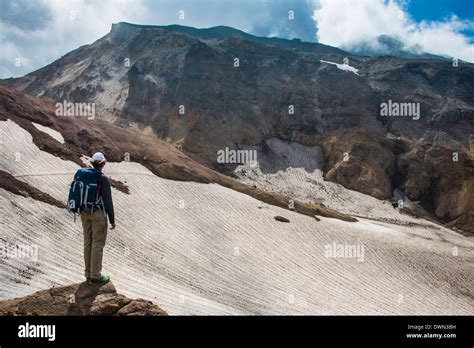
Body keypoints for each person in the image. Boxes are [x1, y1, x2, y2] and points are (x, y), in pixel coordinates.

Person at [80, 152, 116, 284]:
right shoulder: (102, 179)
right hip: (98, 214)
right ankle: (96, 276)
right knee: (97, 244)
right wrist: (112, 220)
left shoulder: (84, 176)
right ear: (103, 163)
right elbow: (107, 201)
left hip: (84, 212)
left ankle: (88, 274)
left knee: (87, 242)